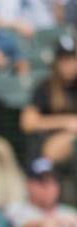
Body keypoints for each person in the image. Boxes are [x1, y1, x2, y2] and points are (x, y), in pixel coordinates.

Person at [21, 34, 77, 163]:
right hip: (50, 146)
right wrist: (66, 122)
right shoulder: (45, 87)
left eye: (72, 58)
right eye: (63, 59)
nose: (68, 64)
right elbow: (27, 122)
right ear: (56, 62)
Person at [6, 157, 77, 227]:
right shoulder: (17, 208)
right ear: (28, 184)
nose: (49, 187)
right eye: (43, 182)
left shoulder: (69, 211)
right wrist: (57, 222)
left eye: (54, 182)